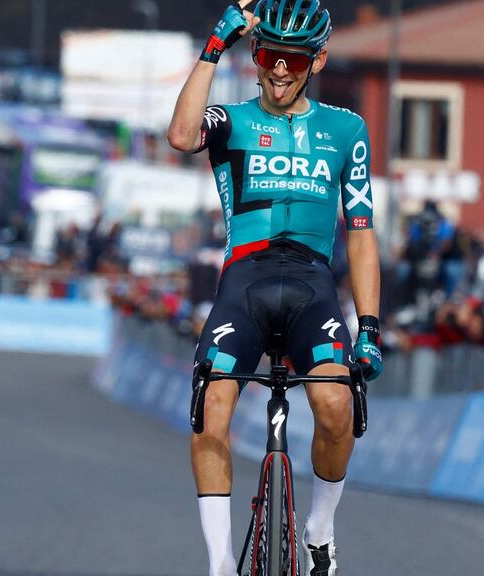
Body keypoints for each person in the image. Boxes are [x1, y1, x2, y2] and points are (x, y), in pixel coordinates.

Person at [167, 2, 382, 575]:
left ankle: (319, 529)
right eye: (268, 55)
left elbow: (361, 235)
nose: (280, 70)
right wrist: (217, 43)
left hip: (314, 284)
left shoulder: (346, 130)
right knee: (213, 401)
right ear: (255, 56)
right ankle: (219, 564)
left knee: (336, 405)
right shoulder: (231, 121)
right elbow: (182, 134)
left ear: (318, 61)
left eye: (294, 58)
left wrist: (371, 328)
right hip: (246, 278)